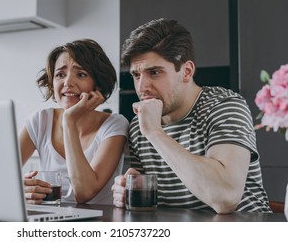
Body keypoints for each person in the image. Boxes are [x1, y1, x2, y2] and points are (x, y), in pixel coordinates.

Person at [112, 19, 271, 213]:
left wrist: (155, 133)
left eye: (154, 72)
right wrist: (127, 192)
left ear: (186, 71)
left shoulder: (225, 106)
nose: (142, 87)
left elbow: (225, 198)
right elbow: (150, 205)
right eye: (136, 75)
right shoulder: (140, 126)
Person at [20, 39, 128, 205]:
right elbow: (0, 176)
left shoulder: (115, 125)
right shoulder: (40, 120)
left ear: (98, 84)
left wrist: (69, 121)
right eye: (60, 75)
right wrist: (22, 188)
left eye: (81, 74)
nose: (68, 83)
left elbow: (84, 193)